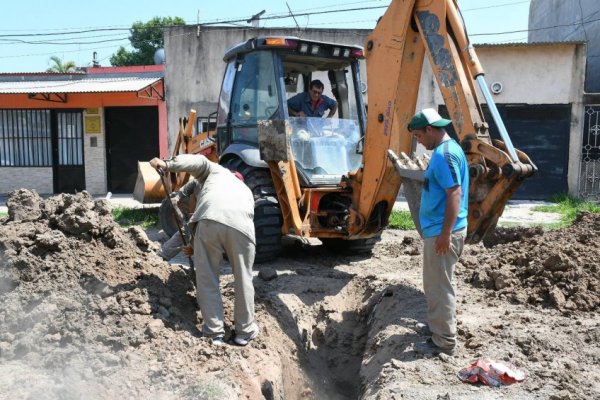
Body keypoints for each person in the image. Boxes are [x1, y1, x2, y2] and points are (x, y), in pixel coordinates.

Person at [149, 154, 259, 347]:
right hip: (242, 226)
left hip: (208, 221)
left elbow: (198, 161)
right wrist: (192, 244)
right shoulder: (246, 190)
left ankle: (214, 333)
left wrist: (167, 165)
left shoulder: (216, 171)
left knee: (207, 278)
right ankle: (245, 332)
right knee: (243, 279)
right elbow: (230, 224)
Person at [407, 108, 469, 357]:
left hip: (443, 232)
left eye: (419, 137)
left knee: (438, 286)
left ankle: (443, 342)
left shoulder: (443, 155)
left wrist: (445, 234)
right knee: (440, 283)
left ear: (430, 130)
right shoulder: (450, 149)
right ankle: (439, 328)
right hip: (444, 229)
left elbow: (454, 193)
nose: (419, 143)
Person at [158, 178, 201, 262]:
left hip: (212, 219)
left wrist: (192, 245)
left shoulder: (197, 183)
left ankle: (162, 256)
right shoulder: (229, 178)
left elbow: (193, 224)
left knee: (185, 232)